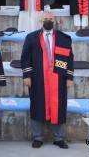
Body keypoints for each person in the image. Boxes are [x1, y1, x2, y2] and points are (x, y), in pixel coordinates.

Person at [20, 12, 74, 149]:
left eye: (50, 19)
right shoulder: (31, 38)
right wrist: (27, 76)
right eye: (46, 19)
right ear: (41, 21)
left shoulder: (64, 38)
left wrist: (69, 77)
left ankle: (59, 138)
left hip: (58, 78)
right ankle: (37, 137)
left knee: (59, 107)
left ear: (54, 21)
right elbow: (25, 58)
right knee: (37, 105)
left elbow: (69, 59)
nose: (48, 21)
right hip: (38, 78)